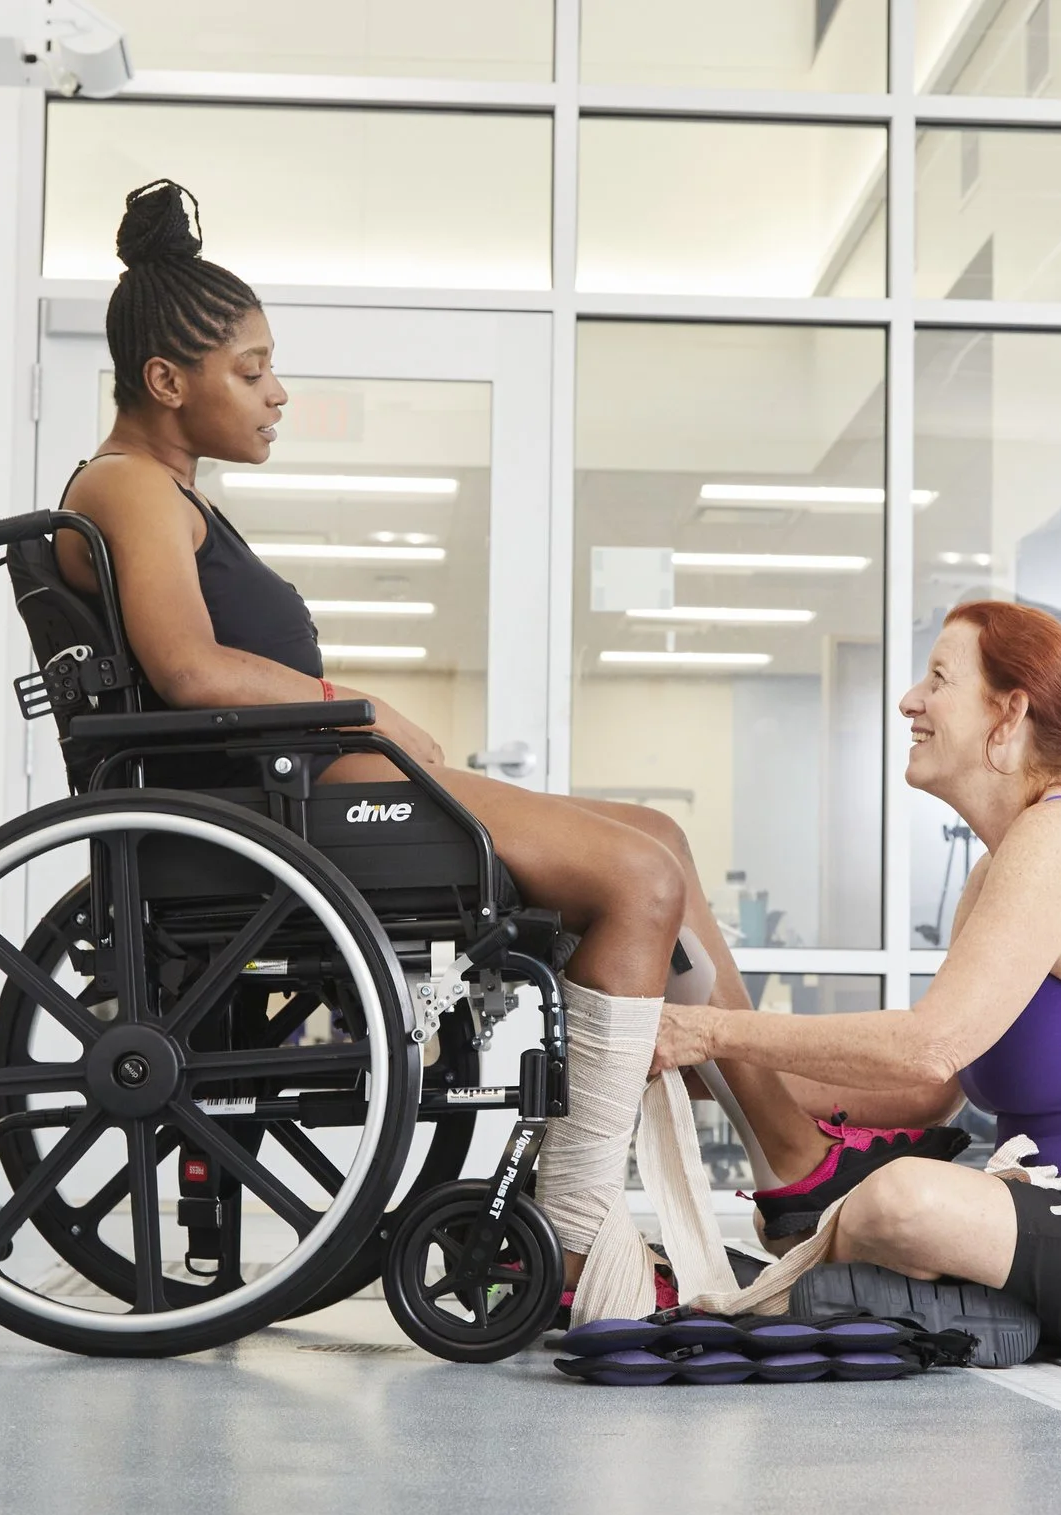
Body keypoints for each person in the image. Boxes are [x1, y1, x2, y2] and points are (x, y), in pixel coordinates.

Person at [51, 179, 810, 1291]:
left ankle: (791, 1153)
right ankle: (586, 1226)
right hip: (278, 816)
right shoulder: (126, 488)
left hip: (303, 798)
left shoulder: (168, 496)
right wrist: (357, 705)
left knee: (653, 835)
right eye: (251, 371)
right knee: (639, 877)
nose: (278, 395)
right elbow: (190, 669)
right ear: (167, 382)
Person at [656, 601, 1061, 1355]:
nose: (909, 700)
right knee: (857, 1206)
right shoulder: (997, 866)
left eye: (939, 679)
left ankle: (888, 1296)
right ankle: (892, 1292)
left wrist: (716, 1029)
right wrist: (718, 1072)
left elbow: (928, 1046)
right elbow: (922, 1093)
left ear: (1007, 714)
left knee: (902, 1201)